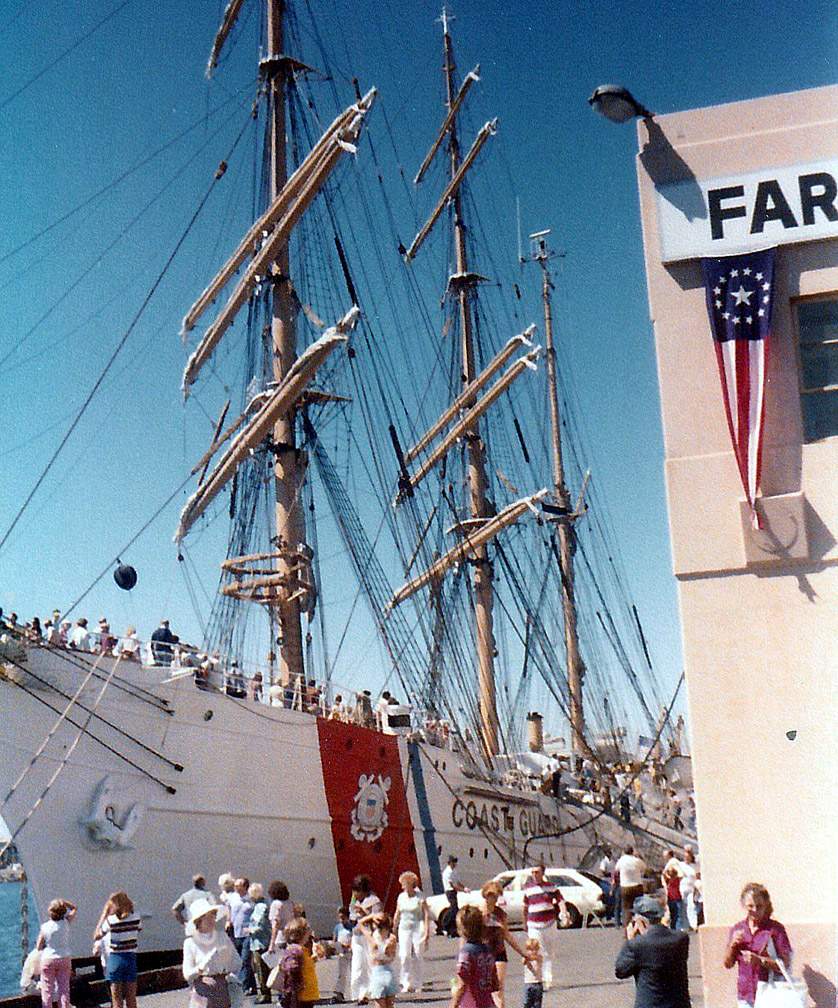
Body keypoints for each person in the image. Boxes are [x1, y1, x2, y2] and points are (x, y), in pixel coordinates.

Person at [614, 895, 691, 1008]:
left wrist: (630, 941)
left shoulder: (637, 945)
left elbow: (620, 971)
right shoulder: (681, 939)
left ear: (641, 920)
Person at [723, 882, 792, 1008]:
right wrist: (732, 945)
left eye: (759, 906)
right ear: (743, 905)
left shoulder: (775, 929)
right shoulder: (738, 929)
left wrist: (760, 960)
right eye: (750, 906)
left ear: (766, 905)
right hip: (746, 995)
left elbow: (785, 964)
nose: (754, 910)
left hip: (770, 993)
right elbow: (728, 964)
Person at [182, 899, 241, 1008]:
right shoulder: (190, 943)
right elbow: (187, 974)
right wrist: (200, 969)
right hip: (202, 992)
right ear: (198, 921)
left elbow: (237, 963)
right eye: (208, 917)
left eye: (213, 916)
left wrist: (226, 963)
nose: (212, 920)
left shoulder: (222, 937)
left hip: (222, 989)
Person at [480, 881, 528, 1008]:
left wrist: (522, 953)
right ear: (485, 895)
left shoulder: (500, 913)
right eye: (492, 895)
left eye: (496, 896)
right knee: (484, 989)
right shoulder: (478, 913)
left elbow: (507, 935)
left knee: (499, 989)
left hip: (499, 952)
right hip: (483, 954)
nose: (494, 899)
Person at [522, 863, 566, 990]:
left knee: (549, 952)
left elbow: (560, 900)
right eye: (533, 872)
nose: (534, 875)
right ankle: (537, 978)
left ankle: (547, 978)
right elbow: (525, 907)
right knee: (536, 950)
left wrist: (563, 912)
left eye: (537, 872)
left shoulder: (551, 888)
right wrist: (524, 922)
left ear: (543, 873)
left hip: (549, 924)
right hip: (533, 925)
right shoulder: (528, 889)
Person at [94, 891, 142, 1008]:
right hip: (130, 957)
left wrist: (103, 916)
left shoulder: (111, 920)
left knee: (116, 998)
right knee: (131, 998)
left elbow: (97, 935)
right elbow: (139, 929)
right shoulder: (136, 917)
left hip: (115, 958)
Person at [450, 906, 497, 1008]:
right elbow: (494, 983)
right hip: (487, 1002)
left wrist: (453, 1005)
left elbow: (462, 984)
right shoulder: (488, 951)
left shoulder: (466, 953)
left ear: (463, 929)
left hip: (471, 1003)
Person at [392, 871, 430, 994]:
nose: (402, 886)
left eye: (404, 883)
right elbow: (398, 913)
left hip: (417, 927)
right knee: (404, 955)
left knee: (418, 954)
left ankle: (418, 983)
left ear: (410, 883)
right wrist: (394, 927)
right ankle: (405, 982)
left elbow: (426, 913)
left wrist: (427, 931)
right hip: (404, 928)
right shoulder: (401, 897)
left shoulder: (419, 896)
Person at [36, 898, 77, 1008]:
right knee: (64, 989)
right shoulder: (66, 922)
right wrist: (64, 901)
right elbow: (74, 908)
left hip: (48, 959)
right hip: (64, 958)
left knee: (47, 990)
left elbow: (39, 946)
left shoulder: (44, 927)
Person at [348, 874, 383, 1003]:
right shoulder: (355, 902)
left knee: (370, 965)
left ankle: (370, 992)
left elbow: (378, 918)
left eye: (357, 891)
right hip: (356, 936)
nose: (355, 894)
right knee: (357, 966)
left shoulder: (374, 900)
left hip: (369, 935)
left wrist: (364, 913)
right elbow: (351, 919)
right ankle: (357, 993)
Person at [358, 913, 397, 1008]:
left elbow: (360, 923)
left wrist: (372, 916)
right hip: (389, 973)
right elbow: (392, 956)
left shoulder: (372, 939)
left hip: (377, 975)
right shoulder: (392, 939)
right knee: (390, 1006)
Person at [247, 883, 272, 1005]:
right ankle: (265, 992)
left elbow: (260, 925)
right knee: (261, 969)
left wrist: (249, 930)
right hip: (259, 941)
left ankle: (265, 994)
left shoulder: (261, 907)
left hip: (260, 942)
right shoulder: (260, 905)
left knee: (262, 970)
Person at [230, 878, 255, 994]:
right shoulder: (233, 898)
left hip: (247, 934)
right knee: (240, 961)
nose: (235, 887)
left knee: (245, 960)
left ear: (245, 887)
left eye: (238, 885)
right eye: (235, 885)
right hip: (236, 933)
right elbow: (229, 910)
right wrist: (227, 921)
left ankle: (244, 987)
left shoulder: (251, 899)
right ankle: (252, 986)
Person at [615, 846, 647, 932]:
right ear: (632, 852)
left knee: (626, 908)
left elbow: (616, 869)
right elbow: (644, 867)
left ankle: (627, 928)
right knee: (639, 907)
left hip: (625, 886)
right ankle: (640, 927)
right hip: (637, 885)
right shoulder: (636, 860)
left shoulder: (621, 861)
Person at [267, 880, 295, 955]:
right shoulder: (290, 903)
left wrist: (271, 944)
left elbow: (275, 925)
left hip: (280, 938)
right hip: (290, 936)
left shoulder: (275, 904)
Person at [332, 906, 353, 1003]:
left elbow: (354, 938)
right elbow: (335, 939)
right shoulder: (337, 927)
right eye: (340, 918)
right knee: (342, 974)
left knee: (354, 972)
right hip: (342, 953)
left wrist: (350, 945)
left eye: (343, 918)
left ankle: (356, 992)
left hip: (351, 952)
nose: (341, 920)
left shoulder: (352, 927)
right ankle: (339, 992)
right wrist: (336, 947)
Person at [442, 855, 466, 938]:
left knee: (455, 910)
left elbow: (458, 882)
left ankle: (452, 930)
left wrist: (465, 887)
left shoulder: (454, 871)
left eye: (455, 862)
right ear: (450, 863)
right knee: (454, 909)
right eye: (454, 862)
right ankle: (445, 924)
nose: (455, 863)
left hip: (454, 891)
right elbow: (452, 885)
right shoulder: (447, 872)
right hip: (450, 891)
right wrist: (463, 890)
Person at [661, 851, 683, 932]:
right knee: (676, 915)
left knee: (675, 915)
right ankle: (676, 929)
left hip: (673, 897)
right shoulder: (674, 881)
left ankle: (675, 929)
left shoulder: (673, 862)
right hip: (675, 897)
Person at [679, 848, 699, 931]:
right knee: (683, 906)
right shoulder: (681, 865)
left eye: (688, 857)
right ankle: (685, 926)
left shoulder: (695, 866)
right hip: (683, 887)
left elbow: (697, 875)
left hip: (692, 887)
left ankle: (693, 924)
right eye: (685, 857)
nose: (686, 859)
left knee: (691, 906)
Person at [521, 938, 543, 1008]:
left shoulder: (539, 957)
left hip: (537, 983)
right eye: (530, 950)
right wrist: (526, 957)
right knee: (526, 1002)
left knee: (537, 1004)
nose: (533, 951)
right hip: (528, 983)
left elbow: (536, 958)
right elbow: (523, 961)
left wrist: (529, 957)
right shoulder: (526, 958)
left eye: (535, 949)